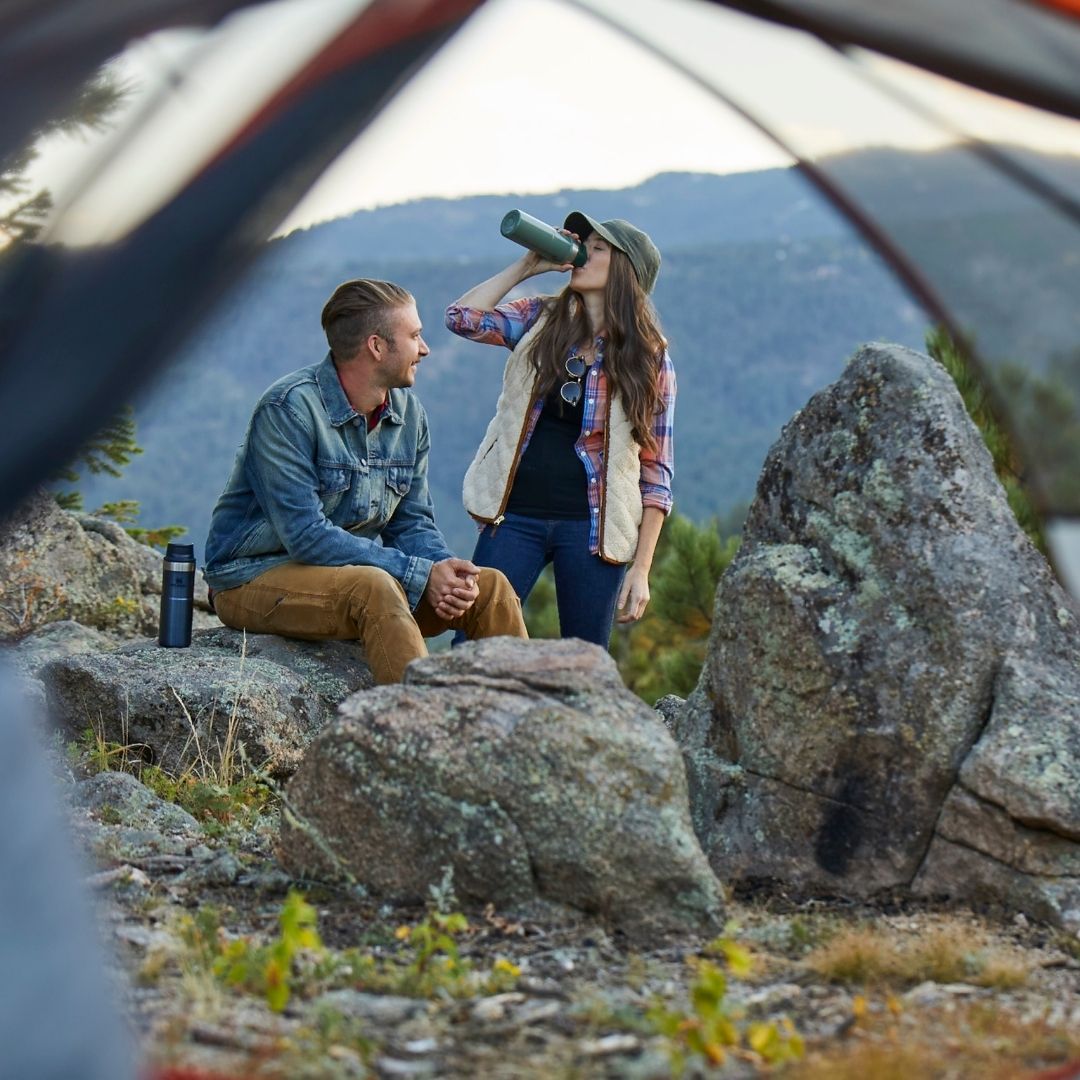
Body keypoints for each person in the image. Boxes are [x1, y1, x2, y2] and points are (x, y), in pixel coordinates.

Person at [204, 279, 528, 684]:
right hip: (251, 579)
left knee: (489, 587)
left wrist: (443, 572)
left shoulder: (408, 414)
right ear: (376, 346)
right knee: (373, 587)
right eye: (414, 336)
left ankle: (521, 734)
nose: (424, 349)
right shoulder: (288, 409)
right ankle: (421, 737)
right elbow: (306, 536)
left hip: (347, 578)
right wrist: (418, 574)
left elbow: (410, 522)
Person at [445, 212, 675, 647]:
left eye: (598, 247)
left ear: (626, 271)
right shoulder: (539, 319)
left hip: (593, 531)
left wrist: (641, 570)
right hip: (514, 517)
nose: (583, 252)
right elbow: (461, 318)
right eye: (583, 243)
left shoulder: (649, 358)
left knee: (586, 664)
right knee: (471, 648)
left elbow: (657, 471)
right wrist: (528, 266)